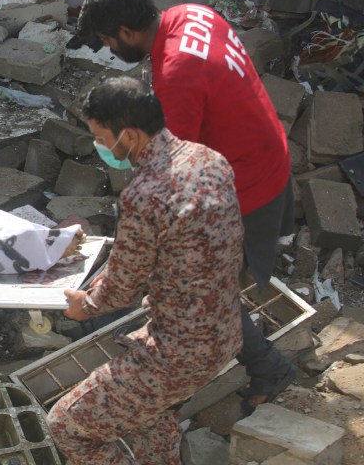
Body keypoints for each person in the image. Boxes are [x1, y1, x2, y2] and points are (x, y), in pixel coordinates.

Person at [77, 0, 297, 416]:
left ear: (125, 32)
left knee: (207, 293)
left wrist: (118, 274)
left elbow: (167, 175)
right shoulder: (193, 15)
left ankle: (267, 368)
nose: (109, 49)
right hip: (264, 158)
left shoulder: (178, 76)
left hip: (242, 188)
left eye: (106, 40)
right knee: (209, 287)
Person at [46, 77, 243, 463]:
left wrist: (82, 305)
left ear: (130, 136)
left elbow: (119, 292)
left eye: (101, 138)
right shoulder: (209, 159)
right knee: (149, 414)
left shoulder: (146, 195)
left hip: (175, 352)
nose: (99, 147)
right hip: (223, 332)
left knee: (66, 426)